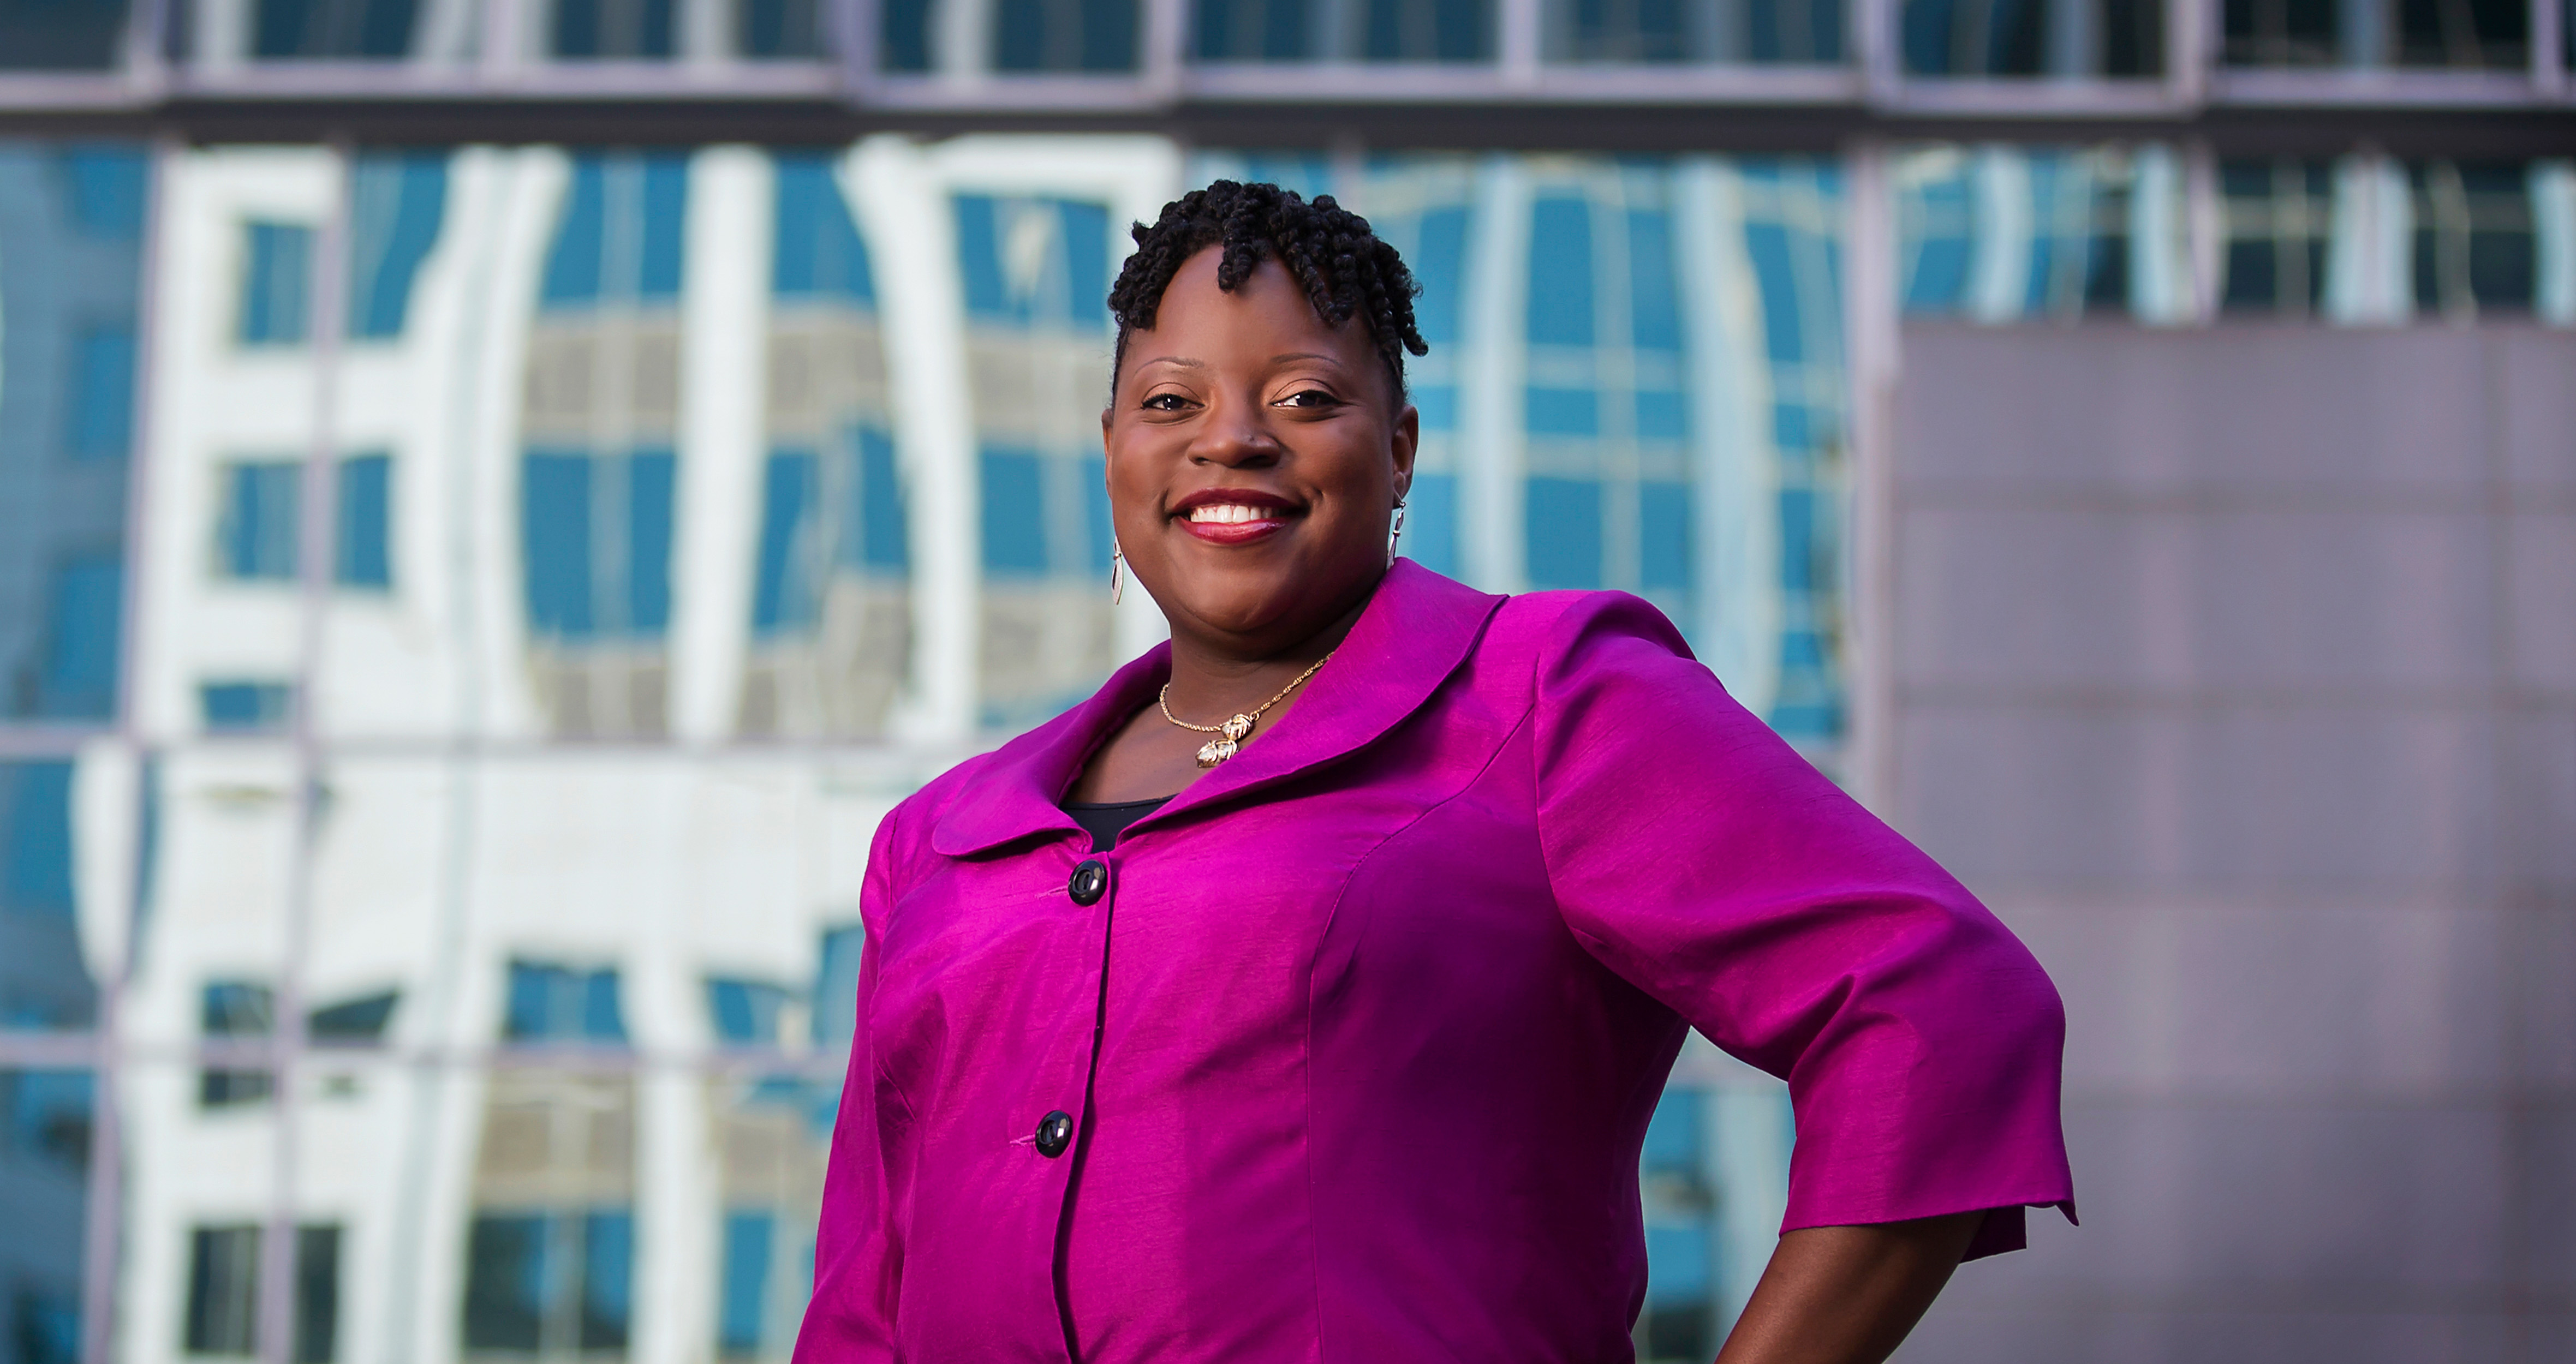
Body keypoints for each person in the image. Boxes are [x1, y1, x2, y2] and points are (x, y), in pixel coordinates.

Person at [792, 181, 2071, 1363]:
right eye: (1172, 402)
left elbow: (1940, 1006)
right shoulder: (939, 839)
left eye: (1303, 398)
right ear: (1113, 446)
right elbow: (863, 1297)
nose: (1230, 439)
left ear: (1399, 448)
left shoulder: (1549, 697)